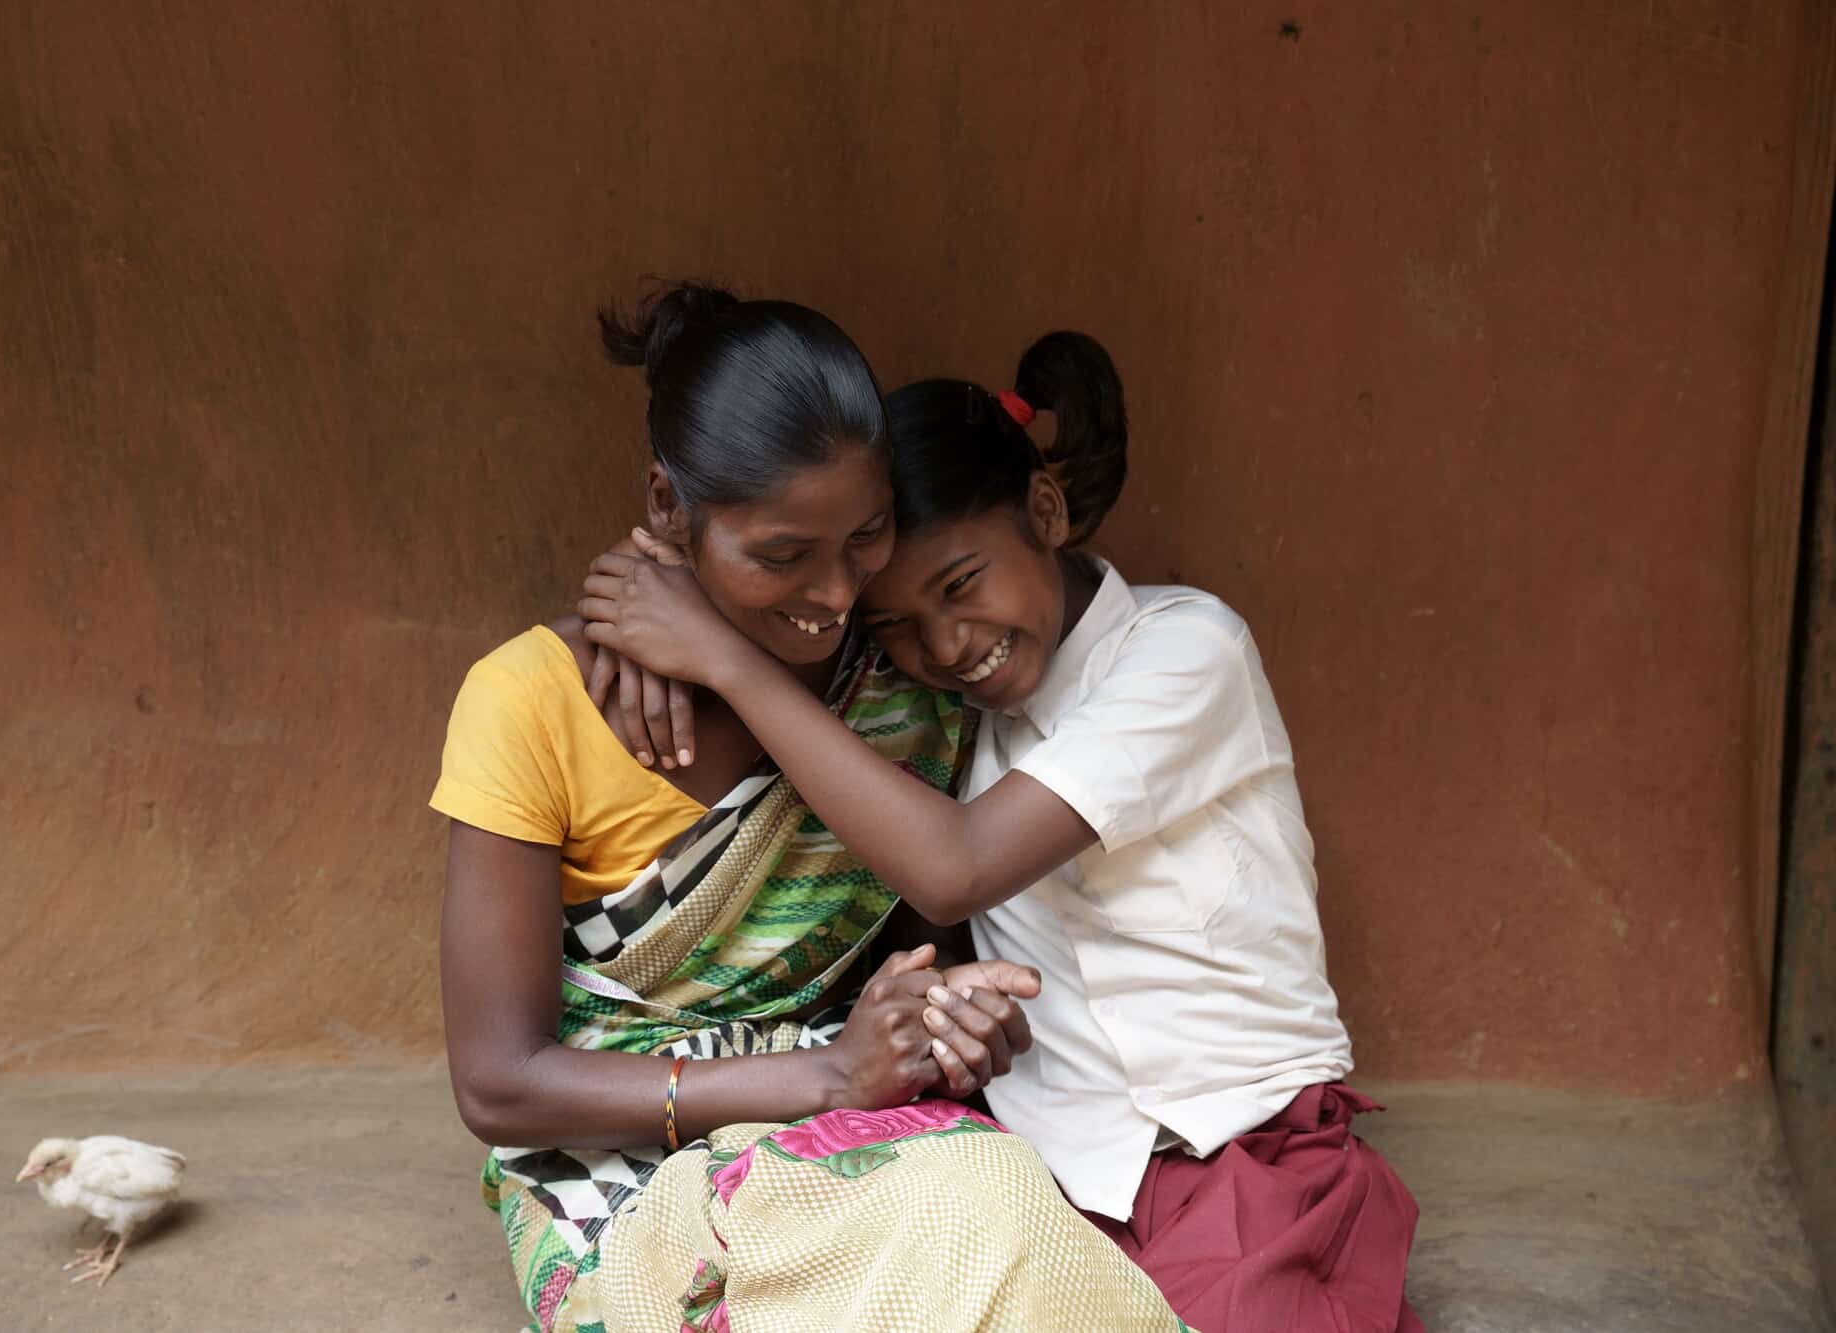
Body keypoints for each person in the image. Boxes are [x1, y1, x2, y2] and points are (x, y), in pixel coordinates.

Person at [580, 330, 1425, 1332]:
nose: (945, 647)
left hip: (1241, 1147)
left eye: (960, 586)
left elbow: (955, 867)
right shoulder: (940, 716)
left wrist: (716, 655)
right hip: (1047, 1178)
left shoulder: (1184, 651)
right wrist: (648, 610)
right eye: (892, 626)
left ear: (1044, 510)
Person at [435, 286, 1182, 1332]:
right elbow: (500, 1085)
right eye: (782, 556)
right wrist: (825, 1074)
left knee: (1003, 1222)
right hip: (617, 1179)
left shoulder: (898, 687)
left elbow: (922, 957)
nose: (835, 594)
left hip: (867, 1129)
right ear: (665, 507)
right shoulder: (531, 701)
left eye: (866, 538)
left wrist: (945, 1017)